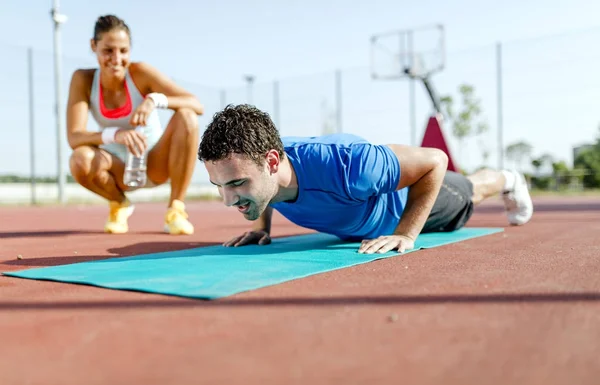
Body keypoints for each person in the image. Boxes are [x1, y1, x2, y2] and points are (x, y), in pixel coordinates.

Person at [198, 104, 533, 254]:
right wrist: (260, 227)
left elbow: (435, 160)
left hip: (410, 203)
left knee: (471, 192)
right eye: (220, 186)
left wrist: (404, 233)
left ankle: (507, 178)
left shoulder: (352, 167)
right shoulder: (262, 168)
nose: (229, 201)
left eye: (237, 184)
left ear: (272, 161)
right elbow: (260, 182)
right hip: (362, 220)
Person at [66, 15, 204, 235]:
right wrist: (115, 134)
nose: (117, 58)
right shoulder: (83, 80)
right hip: (119, 169)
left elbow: (196, 104)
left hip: (156, 164)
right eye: (108, 50)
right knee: (79, 159)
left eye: (123, 51)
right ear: (94, 46)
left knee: (187, 116)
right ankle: (119, 204)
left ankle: (175, 210)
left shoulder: (140, 73)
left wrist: (155, 100)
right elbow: (74, 137)